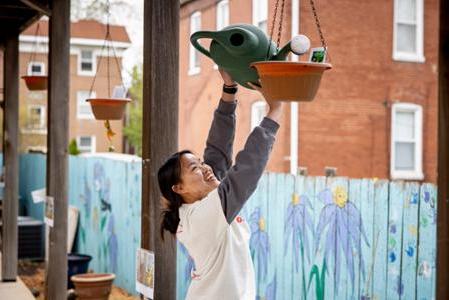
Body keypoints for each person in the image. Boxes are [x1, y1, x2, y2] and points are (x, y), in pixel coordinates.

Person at [157, 68, 283, 299]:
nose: (205, 168)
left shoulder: (198, 204)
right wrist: (274, 112)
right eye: (195, 168)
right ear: (179, 188)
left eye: (200, 163)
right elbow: (246, 171)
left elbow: (216, 151)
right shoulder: (203, 216)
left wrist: (229, 89)